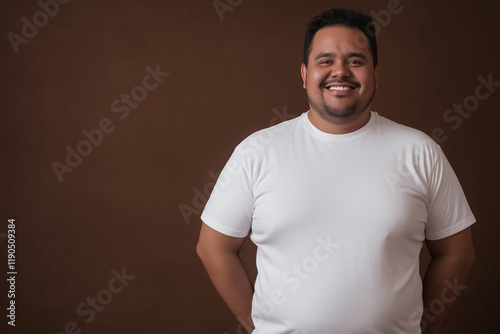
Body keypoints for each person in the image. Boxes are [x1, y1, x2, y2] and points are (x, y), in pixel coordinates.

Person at [196, 8, 476, 334]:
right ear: (304, 74)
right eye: (325, 61)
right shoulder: (256, 152)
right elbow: (212, 247)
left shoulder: (420, 152)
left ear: (376, 73)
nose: (340, 71)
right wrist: (257, 326)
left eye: (355, 61)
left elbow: (457, 253)